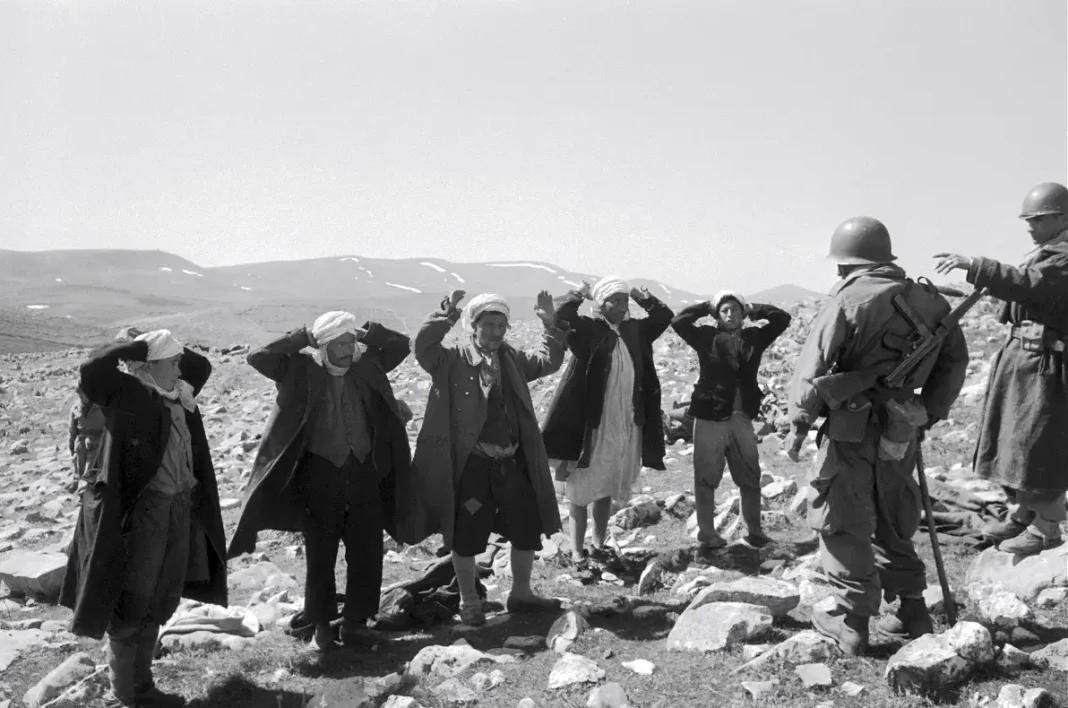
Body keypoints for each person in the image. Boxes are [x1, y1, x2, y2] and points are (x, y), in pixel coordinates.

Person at [785, 216, 969, 655]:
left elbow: (814, 367)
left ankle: (852, 623)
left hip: (851, 426)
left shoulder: (849, 299)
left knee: (843, 517)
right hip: (900, 426)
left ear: (848, 263)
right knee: (892, 513)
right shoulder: (929, 301)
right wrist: (927, 411)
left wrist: (797, 421)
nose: (837, 272)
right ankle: (912, 609)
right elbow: (954, 363)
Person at [227, 311, 415, 650]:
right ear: (322, 345)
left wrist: (367, 333)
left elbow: (401, 346)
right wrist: (302, 337)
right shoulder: (300, 369)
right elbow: (258, 357)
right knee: (320, 553)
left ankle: (357, 623)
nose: (346, 350)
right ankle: (322, 625)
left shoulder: (367, 364)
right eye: (338, 344)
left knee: (367, 551)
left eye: (350, 343)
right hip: (319, 474)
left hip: (363, 472)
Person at [60, 328, 228, 708]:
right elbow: (93, 370)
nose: (179, 368)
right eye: (171, 363)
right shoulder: (127, 395)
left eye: (177, 361)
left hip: (178, 508)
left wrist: (166, 344)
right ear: (148, 367)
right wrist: (137, 346)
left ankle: (144, 687)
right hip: (142, 513)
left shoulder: (179, 393)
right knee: (132, 600)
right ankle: (124, 695)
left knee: (161, 596)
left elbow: (202, 366)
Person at [408, 289, 565, 626]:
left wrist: (551, 326)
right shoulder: (450, 361)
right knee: (466, 533)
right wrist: (445, 316)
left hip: (510, 461)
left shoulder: (512, 360)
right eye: (489, 324)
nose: (496, 331)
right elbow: (422, 348)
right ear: (473, 326)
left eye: (502, 325)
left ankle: (520, 593)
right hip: (472, 465)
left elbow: (549, 361)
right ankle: (469, 602)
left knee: (526, 528)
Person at [934, 181, 1068, 556]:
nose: (1030, 226)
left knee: (1037, 445)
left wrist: (976, 266)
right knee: (1013, 441)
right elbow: (1022, 298)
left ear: (1063, 217)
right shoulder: (1046, 252)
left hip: (1047, 367)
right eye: (1028, 219)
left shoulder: (1063, 258)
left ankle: (1046, 528)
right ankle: (1024, 512)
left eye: (1038, 219)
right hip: (1025, 364)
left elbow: (1030, 285)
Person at [541, 276, 673, 563]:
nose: (623, 305)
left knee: (607, 485)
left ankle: (598, 545)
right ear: (601, 304)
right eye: (616, 299)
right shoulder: (588, 330)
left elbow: (664, 316)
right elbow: (564, 314)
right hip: (592, 424)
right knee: (580, 489)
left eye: (625, 300)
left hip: (625, 420)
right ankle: (577, 550)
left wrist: (644, 298)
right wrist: (580, 293)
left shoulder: (635, 330)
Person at [671, 290, 792, 550]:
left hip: (742, 417)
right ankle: (707, 534)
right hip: (709, 416)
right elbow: (679, 322)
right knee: (705, 477)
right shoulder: (706, 337)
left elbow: (782, 318)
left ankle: (754, 531)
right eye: (724, 310)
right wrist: (708, 305)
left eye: (735, 310)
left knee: (750, 476)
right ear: (717, 314)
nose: (730, 314)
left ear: (743, 314)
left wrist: (754, 308)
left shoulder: (754, 337)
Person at [67, 386, 107, 493]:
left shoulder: (101, 407)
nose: (82, 398)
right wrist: (71, 445)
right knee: (79, 465)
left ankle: (87, 490)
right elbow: (72, 429)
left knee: (93, 469)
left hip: (97, 443)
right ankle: (77, 482)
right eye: (79, 395)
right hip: (81, 444)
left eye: (83, 395)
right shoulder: (76, 408)